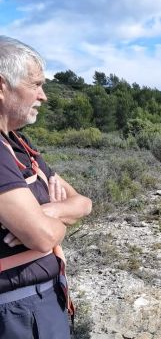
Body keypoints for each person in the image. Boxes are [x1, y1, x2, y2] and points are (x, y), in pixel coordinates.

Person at [0, 35, 92, 338]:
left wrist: (48, 211)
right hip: (15, 312)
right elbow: (41, 236)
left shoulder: (19, 144)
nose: (44, 96)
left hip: (39, 301)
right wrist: (56, 225)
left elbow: (83, 202)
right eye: (35, 84)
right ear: (2, 86)